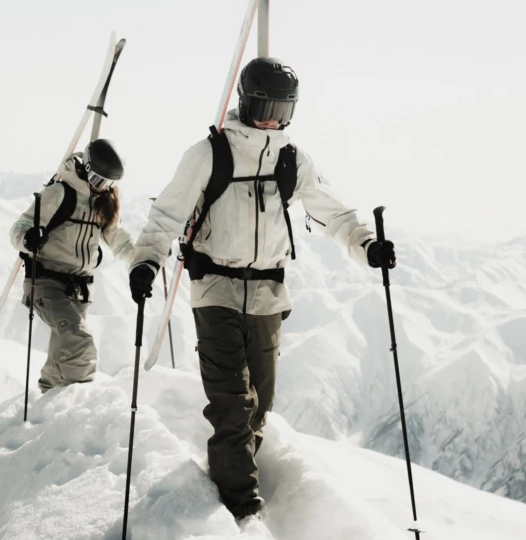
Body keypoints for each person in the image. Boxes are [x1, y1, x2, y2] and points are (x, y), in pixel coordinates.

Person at [127, 57, 397, 519]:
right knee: (233, 403)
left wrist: (367, 245)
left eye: (284, 108)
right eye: (267, 104)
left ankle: (226, 481)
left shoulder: (292, 159)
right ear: (247, 101)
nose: (274, 117)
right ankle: (243, 513)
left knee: (259, 406)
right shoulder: (208, 154)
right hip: (215, 288)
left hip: (269, 295)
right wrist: (146, 262)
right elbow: (166, 216)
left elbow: (334, 212)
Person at [10, 138, 135, 393]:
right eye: (100, 181)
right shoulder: (58, 193)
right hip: (46, 283)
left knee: (60, 360)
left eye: (110, 184)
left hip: (79, 290)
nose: (104, 188)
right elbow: (18, 229)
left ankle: (46, 409)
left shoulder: (103, 201)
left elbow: (117, 238)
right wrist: (29, 238)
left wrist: (143, 261)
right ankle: (80, 408)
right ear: (86, 168)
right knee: (80, 346)